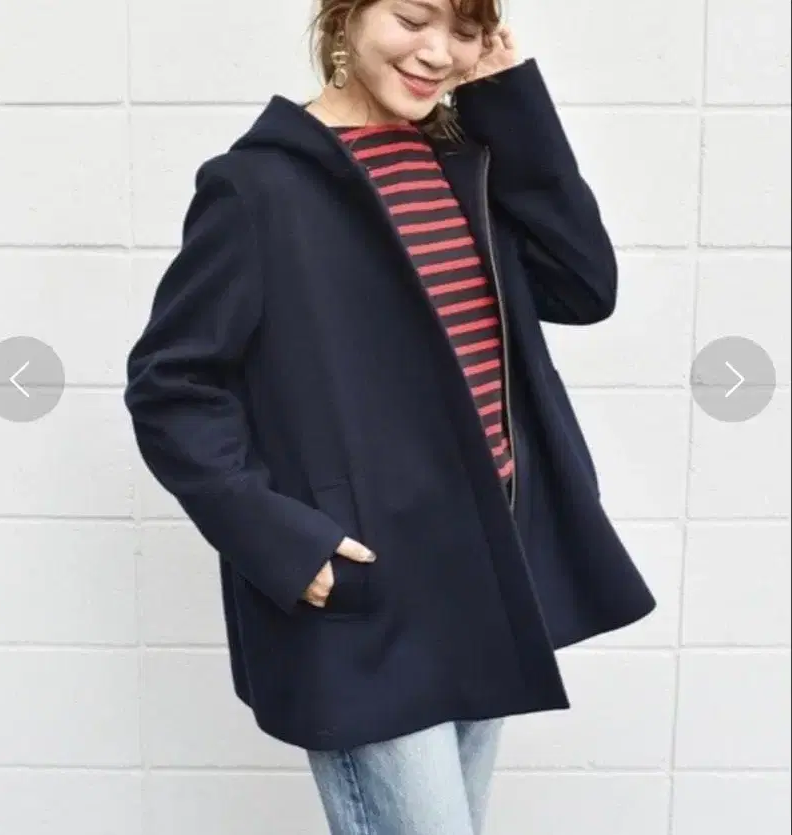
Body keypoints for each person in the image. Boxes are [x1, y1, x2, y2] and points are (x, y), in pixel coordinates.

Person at [123, 1, 657, 832]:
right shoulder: (257, 186)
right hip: (369, 584)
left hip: (486, 564)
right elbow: (171, 385)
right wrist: (282, 539)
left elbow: (584, 285)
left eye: (466, 31)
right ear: (345, 17)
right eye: (413, 18)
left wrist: (510, 98)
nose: (438, 52)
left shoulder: (465, 164)